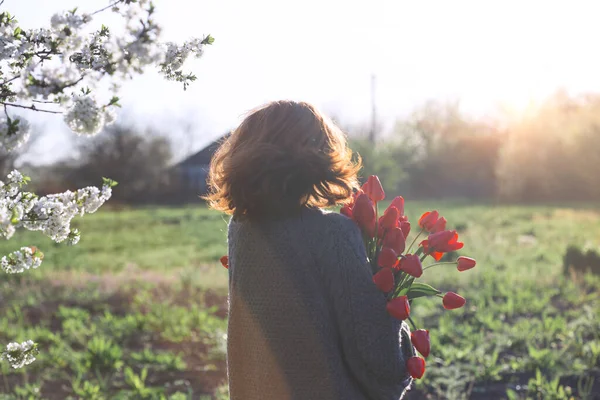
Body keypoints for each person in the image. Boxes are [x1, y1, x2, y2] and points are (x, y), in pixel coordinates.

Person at [205, 100, 413, 400]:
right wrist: (396, 319)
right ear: (320, 155)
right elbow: (377, 364)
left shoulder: (242, 229)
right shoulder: (334, 234)